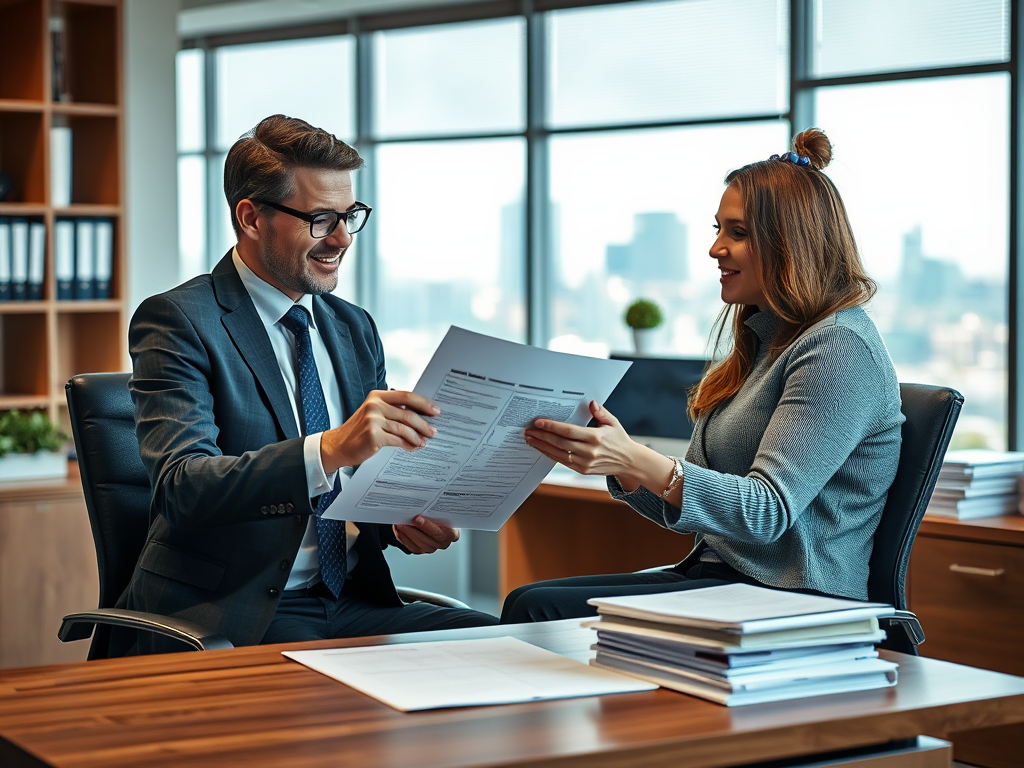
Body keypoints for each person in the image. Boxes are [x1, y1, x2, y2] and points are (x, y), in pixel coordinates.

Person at [121, 114, 496, 655]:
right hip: (238, 610)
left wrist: (399, 523)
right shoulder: (179, 320)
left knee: (500, 643)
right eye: (321, 219)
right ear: (251, 218)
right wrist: (331, 448)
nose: (342, 238)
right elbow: (183, 488)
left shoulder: (352, 326)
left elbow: (368, 479)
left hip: (353, 600)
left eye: (350, 216)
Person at [501, 128, 904, 624]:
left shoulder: (839, 346)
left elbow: (765, 512)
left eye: (737, 233)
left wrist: (641, 461)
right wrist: (620, 463)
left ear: (790, 243)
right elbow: (696, 507)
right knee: (529, 600)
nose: (715, 249)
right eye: (717, 229)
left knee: (535, 608)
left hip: (798, 599)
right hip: (726, 581)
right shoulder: (762, 342)